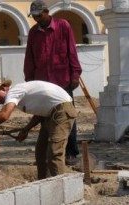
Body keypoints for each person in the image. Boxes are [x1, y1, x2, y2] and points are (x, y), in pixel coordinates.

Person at [0, 77, 77, 179]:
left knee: (54, 152)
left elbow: (4, 115)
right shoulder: (19, 95)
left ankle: (62, 190)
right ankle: (44, 185)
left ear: (4, 88)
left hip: (62, 111)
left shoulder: (14, 92)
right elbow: (39, 113)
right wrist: (26, 129)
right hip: (50, 114)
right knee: (40, 152)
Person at [24, 0, 82, 165]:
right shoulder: (33, 33)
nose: (36, 19)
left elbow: (72, 51)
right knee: (45, 119)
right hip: (42, 83)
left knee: (66, 116)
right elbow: (30, 58)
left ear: (47, 11)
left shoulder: (63, 26)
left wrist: (75, 75)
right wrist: (30, 81)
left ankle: (71, 152)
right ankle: (48, 154)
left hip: (63, 81)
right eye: (34, 16)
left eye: (38, 15)